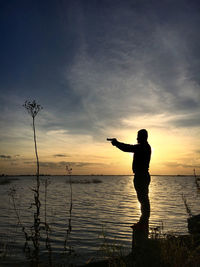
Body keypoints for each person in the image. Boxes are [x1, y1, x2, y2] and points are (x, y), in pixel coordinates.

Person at [109, 129, 151, 230]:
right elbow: (129, 148)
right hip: (141, 176)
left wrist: (116, 143)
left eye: (138, 136)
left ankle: (143, 223)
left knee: (143, 200)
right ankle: (143, 222)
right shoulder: (144, 146)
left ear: (143, 137)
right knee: (143, 200)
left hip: (141, 176)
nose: (137, 138)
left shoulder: (143, 147)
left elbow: (128, 148)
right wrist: (117, 143)